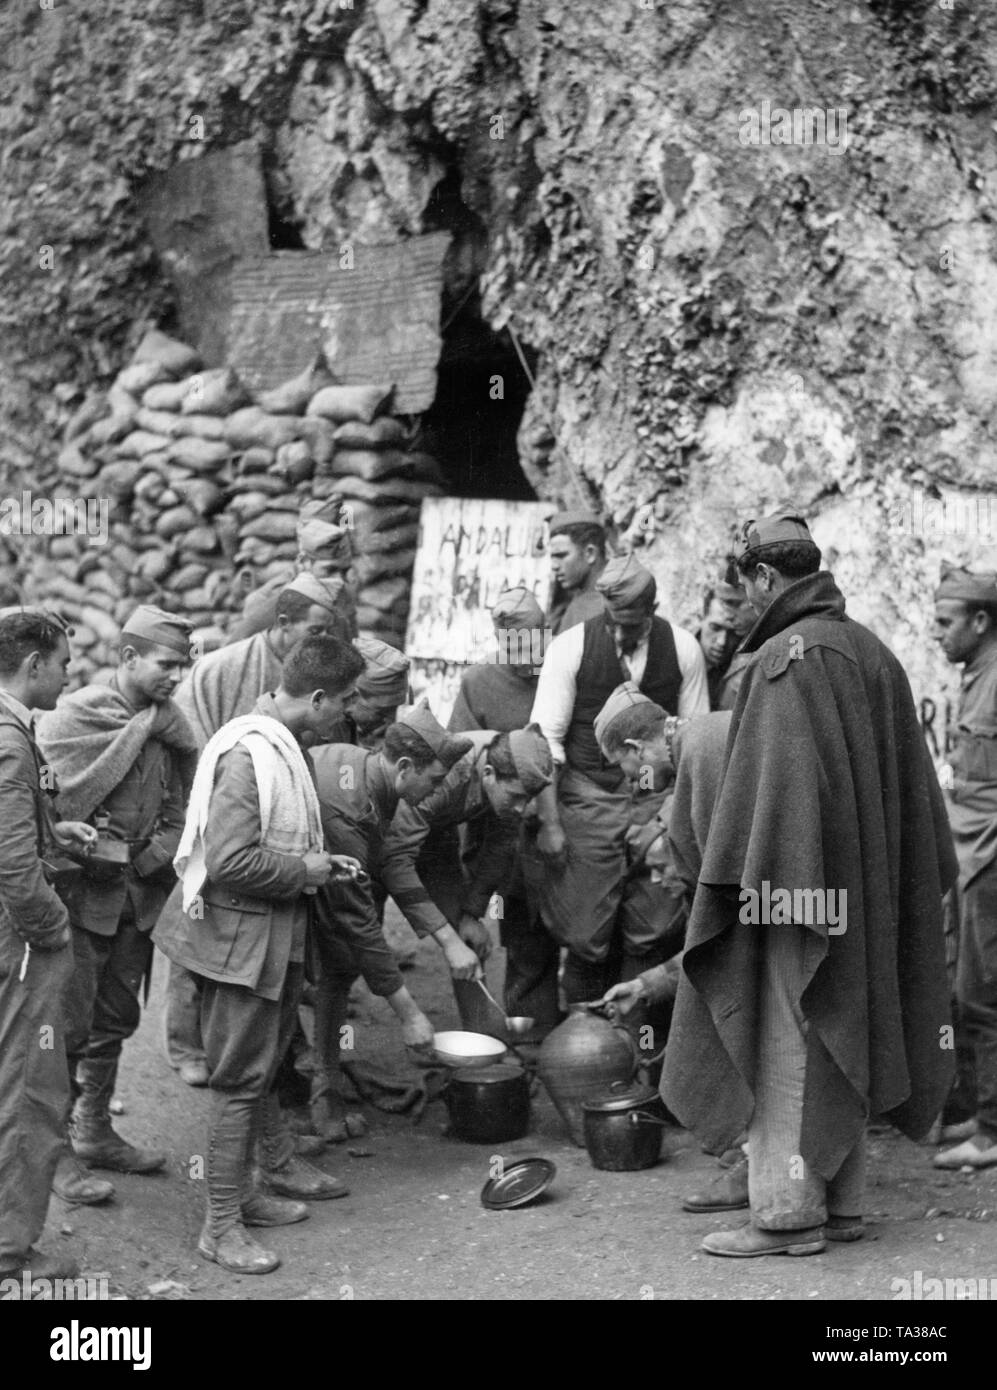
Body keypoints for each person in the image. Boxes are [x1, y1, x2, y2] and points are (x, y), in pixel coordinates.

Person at [658, 510, 957, 1257]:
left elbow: (783, 801)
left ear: (764, 577)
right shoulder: (873, 653)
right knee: (840, 1031)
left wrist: (754, 898)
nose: (742, 607)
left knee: (786, 1039)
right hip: (865, 897)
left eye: (743, 590)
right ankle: (844, 1204)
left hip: (796, 898)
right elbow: (913, 799)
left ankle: (786, 1215)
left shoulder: (782, 662)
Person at [153, 635, 366, 1275]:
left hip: (268, 936)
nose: (350, 713)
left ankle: (253, 1185)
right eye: (347, 701)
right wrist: (303, 869)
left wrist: (319, 868)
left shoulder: (283, 745)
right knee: (239, 1081)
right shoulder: (250, 754)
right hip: (239, 942)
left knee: (264, 1066)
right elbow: (230, 859)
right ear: (320, 697)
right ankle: (220, 1225)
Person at [164, 573, 350, 1085]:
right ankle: (187, 1046)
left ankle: (256, 1063)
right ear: (283, 623)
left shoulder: (314, 672)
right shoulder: (223, 667)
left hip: (266, 835)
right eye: (315, 630)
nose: (324, 641)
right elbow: (190, 743)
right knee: (197, 933)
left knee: (249, 965)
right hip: (217, 812)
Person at [38, 606, 198, 1189]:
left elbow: (182, 805)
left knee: (116, 1019)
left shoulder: (167, 723)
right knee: (66, 1026)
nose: (177, 676)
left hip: (139, 897)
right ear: (128, 658)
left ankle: (95, 1129)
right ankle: (55, 1155)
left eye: (184, 665)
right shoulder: (74, 716)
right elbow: (42, 810)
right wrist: (90, 846)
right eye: (166, 664)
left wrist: (154, 854)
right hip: (80, 900)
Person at [528, 552, 710, 1002]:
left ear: (652, 609)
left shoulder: (684, 648)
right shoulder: (569, 647)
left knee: (655, 920)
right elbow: (545, 742)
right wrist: (551, 824)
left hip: (656, 799)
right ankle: (580, 1043)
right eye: (615, 622)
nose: (622, 634)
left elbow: (693, 744)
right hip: (589, 797)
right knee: (585, 926)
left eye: (634, 624)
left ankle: (637, 1041)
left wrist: (669, 820)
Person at [308, 713, 473, 1139]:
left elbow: (389, 866)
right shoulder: (351, 805)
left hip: (295, 883)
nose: (437, 792)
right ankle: (292, 1126)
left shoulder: (371, 777)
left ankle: (317, 1093)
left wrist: (448, 938)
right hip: (251, 900)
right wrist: (411, 1015)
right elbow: (357, 921)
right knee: (282, 999)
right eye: (434, 781)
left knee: (337, 968)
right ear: (404, 768)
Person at [0, 608, 97, 1283]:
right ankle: (8, 1252)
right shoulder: (8, 738)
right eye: (63, 662)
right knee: (28, 1092)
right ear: (34, 666)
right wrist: (52, 928)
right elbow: (9, 866)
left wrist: (50, 834)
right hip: (20, 939)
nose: (69, 676)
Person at [448, 586, 560, 1036]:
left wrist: (551, 819)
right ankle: (486, 1039)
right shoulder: (478, 682)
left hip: (546, 818)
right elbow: (464, 756)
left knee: (537, 931)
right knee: (492, 918)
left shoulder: (559, 671)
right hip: (492, 821)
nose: (524, 656)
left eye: (533, 642)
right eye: (514, 646)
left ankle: (534, 1035)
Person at [379, 721, 554, 993]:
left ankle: (478, 1034)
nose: (524, 808)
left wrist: (471, 914)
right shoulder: (447, 775)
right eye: (517, 797)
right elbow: (395, 861)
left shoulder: (507, 762)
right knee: (348, 947)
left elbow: (501, 846)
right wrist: (448, 940)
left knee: (468, 939)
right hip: (377, 833)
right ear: (488, 773)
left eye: (529, 798)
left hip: (436, 833)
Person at [931, 563, 997, 1169]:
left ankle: (993, 1132)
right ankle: (981, 1114)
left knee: (984, 994)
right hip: (969, 852)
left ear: (980, 621)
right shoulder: (975, 675)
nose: (936, 633)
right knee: (965, 990)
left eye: (945, 622)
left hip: (991, 855)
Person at [228, 497, 358, 643]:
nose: (339, 580)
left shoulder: (342, 588)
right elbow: (240, 645)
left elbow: (350, 642)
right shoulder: (275, 596)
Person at [546, 511, 608, 636]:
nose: (554, 566)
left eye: (561, 555)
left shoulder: (604, 607)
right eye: (553, 558)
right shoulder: (580, 598)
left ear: (590, 553)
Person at [696, 589, 738, 710]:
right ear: (701, 618)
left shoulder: (738, 668)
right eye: (716, 627)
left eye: (732, 633)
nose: (722, 641)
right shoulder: (677, 652)